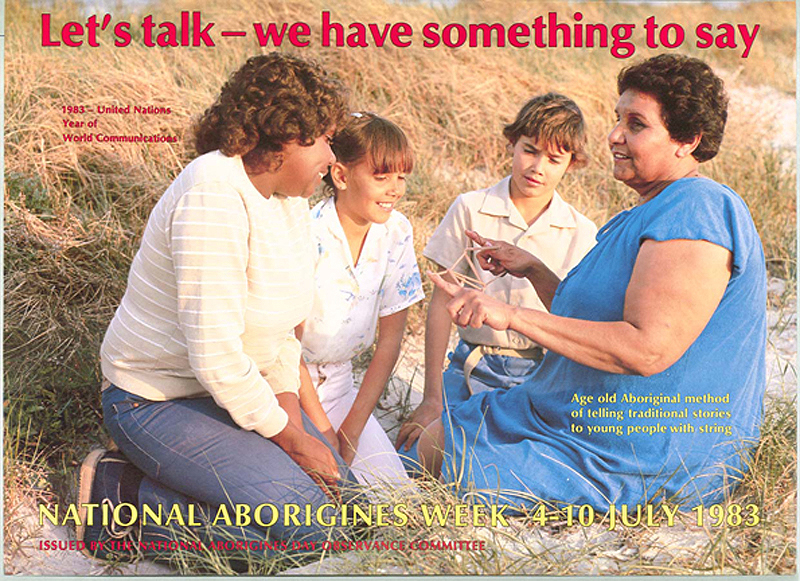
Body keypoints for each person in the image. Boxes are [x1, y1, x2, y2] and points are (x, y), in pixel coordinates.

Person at [417, 54, 767, 512]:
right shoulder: (649, 211)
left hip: (633, 451)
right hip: (569, 417)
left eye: (636, 124)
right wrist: (534, 269)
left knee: (434, 465)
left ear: (688, 140)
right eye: (617, 119)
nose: (614, 135)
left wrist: (512, 315)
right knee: (426, 440)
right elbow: (592, 317)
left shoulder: (699, 208)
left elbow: (647, 348)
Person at [78, 53, 355, 564]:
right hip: (154, 400)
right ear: (282, 138)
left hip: (229, 396)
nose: (332, 159)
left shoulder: (288, 198)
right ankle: (122, 499)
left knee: (354, 512)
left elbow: (278, 335)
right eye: (324, 140)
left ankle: (198, 489)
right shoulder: (213, 194)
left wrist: (287, 422)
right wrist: (291, 443)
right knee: (313, 531)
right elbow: (216, 357)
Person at [395, 93, 598, 471]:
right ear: (512, 143)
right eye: (529, 150)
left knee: (516, 466)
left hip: (544, 371)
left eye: (554, 159)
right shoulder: (471, 208)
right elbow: (441, 303)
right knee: (422, 456)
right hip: (475, 364)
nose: (537, 167)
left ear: (571, 164)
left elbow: (573, 318)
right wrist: (430, 397)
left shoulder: (581, 232)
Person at [297, 112, 424, 490]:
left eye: (401, 177)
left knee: (396, 501)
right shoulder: (306, 232)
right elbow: (285, 345)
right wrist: (323, 432)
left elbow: (390, 341)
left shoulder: (397, 232)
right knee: (311, 502)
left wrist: (351, 430)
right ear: (341, 175)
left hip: (340, 387)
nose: (395, 190)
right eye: (381, 177)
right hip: (289, 390)